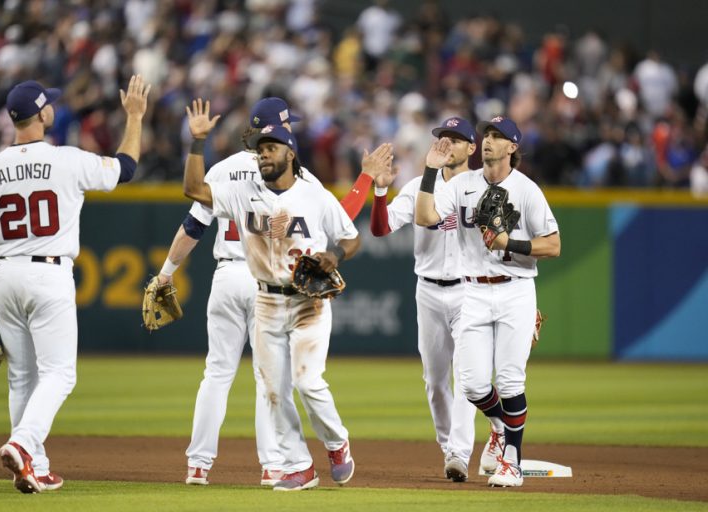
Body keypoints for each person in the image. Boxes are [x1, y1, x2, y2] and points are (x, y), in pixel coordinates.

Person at [155, 97, 390, 487]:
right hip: (260, 287)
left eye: (273, 146)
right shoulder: (259, 187)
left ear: (287, 150)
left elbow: (193, 226)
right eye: (264, 146)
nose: (267, 152)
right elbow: (193, 190)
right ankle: (287, 465)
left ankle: (203, 463)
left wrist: (166, 272)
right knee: (271, 386)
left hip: (290, 292)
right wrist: (364, 180)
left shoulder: (253, 176)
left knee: (275, 379)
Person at [0, 76, 151, 493]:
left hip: (4, 274)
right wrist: (134, 118)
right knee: (60, 373)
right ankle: (24, 445)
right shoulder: (66, 159)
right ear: (42, 113)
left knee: (21, 378)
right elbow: (127, 169)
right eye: (51, 106)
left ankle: (34, 466)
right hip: (48, 273)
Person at [415, 116, 560, 487]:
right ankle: (499, 428)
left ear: (512, 147)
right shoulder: (463, 183)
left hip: (515, 288)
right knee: (472, 384)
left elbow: (553, 245)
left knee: (510, 380)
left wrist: (510, 243)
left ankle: (512, 460)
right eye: (486, 135)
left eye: (498, 136)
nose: (489, 141)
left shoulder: (526, 190)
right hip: (474, 291)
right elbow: (425, 216)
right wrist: (430, 172)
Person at [369, 117, 479, 482]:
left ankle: (459, 454)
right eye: (441, 138)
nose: (446, 144)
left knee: (466, 376)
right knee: (434, 381)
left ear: (471, 148)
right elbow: (382, 229)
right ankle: (449, 447)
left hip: (468, 290)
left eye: (455, 139)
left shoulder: (481, 188)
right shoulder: (419, 185)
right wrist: (381, 193)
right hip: (428, 290)